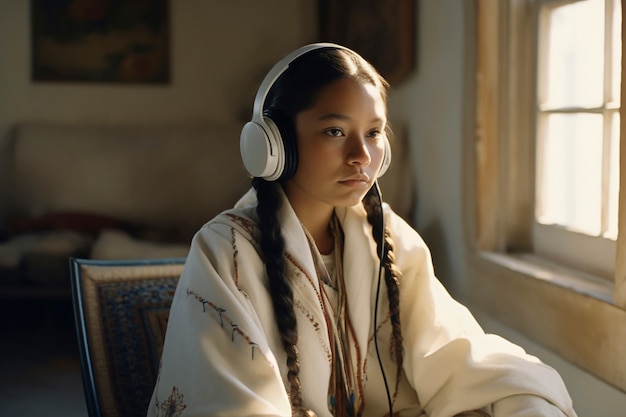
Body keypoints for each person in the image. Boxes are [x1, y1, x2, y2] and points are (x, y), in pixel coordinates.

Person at [147, 43, 577, 417]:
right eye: (334, 131)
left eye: (373, 133)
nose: (361, 156)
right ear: (273, 144)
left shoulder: (389, 238)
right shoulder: (226, 252)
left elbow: (457, 352)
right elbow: (231, 404)